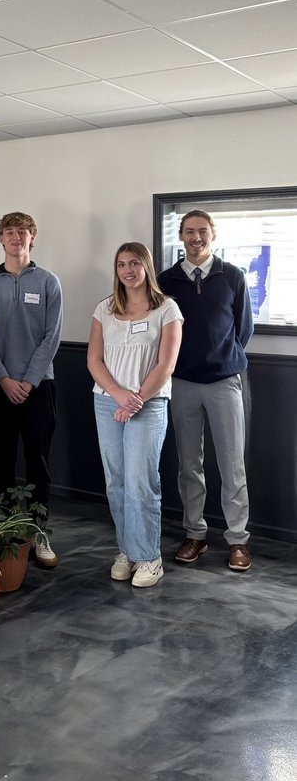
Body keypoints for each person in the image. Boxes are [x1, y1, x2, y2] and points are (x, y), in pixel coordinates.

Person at [159, 209, 253, 572]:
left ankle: (238, 540)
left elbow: (242, 329)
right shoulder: (165, 280)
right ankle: (194, 533)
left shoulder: (233, 276)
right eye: (189, 232)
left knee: (232, 464)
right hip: (181, 382)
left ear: (213, 235)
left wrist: (222, 358)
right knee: (189, 464)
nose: (196, 237)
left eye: (202, 231)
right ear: (180, 236)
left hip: (224, 382)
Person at [88, 243, 183, 588]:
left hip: (149, 404)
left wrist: (137, 399)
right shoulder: (105, 309)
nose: (128, 270)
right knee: (117, 483)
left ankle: (148, 557)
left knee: (141, 483)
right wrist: (118, 395)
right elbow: (94, 361)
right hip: (107, 402)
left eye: (134, 264)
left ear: (147, 267)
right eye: (121, 265)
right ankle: (126, 551)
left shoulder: (167, 310)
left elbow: (166, 365)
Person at [0, 211, 63, 568]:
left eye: (22, 231)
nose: (16, 237)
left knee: (38, 462)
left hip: (40, 388)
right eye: (9, 232)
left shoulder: (48, 282)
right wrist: (5, 380)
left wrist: (28, 381)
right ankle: (4, 532)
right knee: (3, 463)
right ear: (1, 239)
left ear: (33, 237)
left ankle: (40, 533)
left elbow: (51, 337)